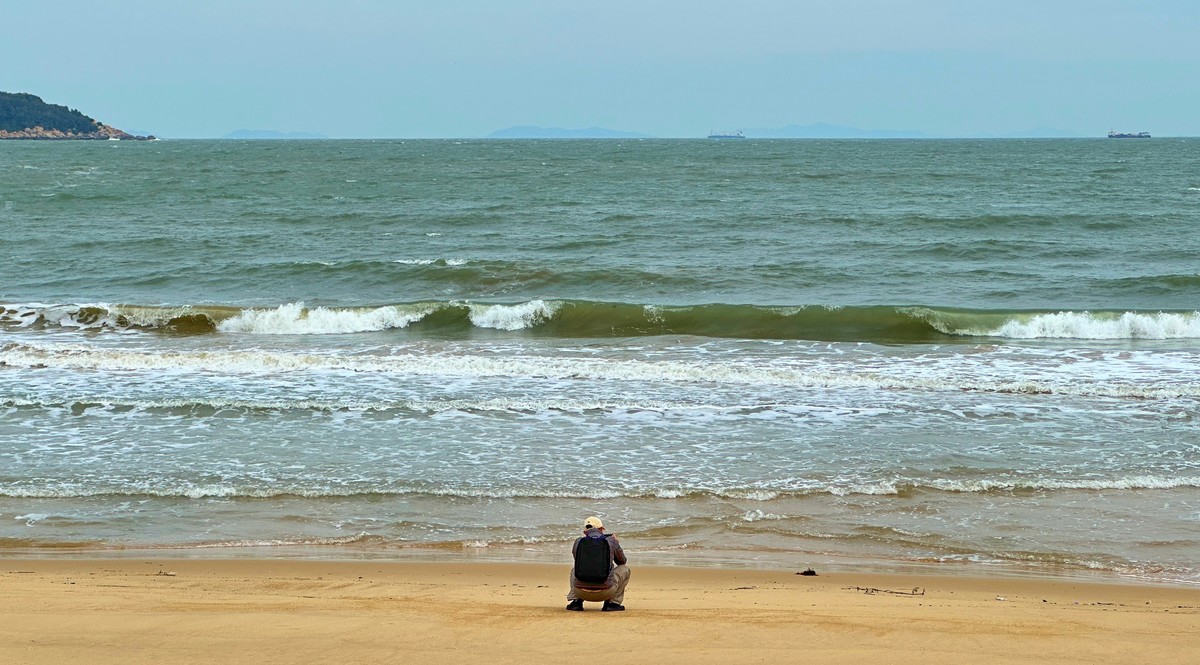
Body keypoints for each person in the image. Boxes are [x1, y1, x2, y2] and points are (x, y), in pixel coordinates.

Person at [565, 516, 630, 611]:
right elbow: (622, 561)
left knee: (575, 569)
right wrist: (615, 543)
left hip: (580, 591)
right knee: (625, 569)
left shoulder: (578, 541)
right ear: (601, 529)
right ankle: (612, 603)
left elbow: (579, 562)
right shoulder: (610, 540)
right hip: (606, 592)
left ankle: (576, 602)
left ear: (585, 531)